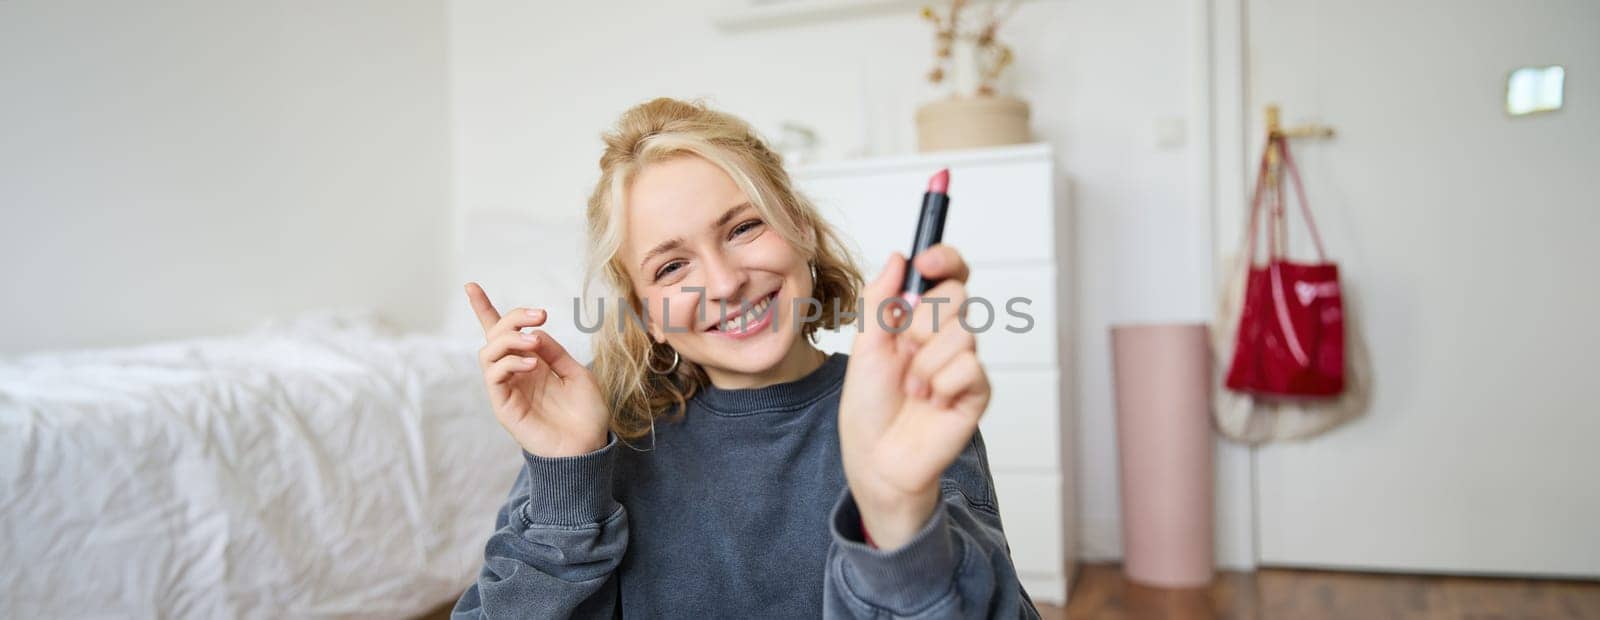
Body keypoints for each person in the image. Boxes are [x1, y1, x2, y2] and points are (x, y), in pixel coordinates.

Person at [452, 97, 1040, 618]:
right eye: (671, 266)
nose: (725, 282)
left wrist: (898, 519)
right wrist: (567, 481)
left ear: (800, 226)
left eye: (743, 228)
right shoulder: (600, 444)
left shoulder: (901, 406)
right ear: (648, 314)